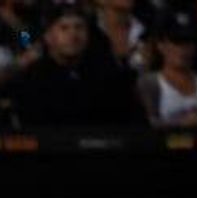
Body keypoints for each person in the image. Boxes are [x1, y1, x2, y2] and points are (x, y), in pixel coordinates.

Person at [13, 0, 141, 125]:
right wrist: (28, 46)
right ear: (48, 35)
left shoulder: (102, 72)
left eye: (79, 28)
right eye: (64, 28)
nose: (73, 34)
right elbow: (24, 32)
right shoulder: (34, 77)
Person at [137, 10, 197, 128]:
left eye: (188, 42)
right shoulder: (149, 84)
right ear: (161, 45)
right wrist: (181, 124)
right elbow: (146, 127)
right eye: (177, 42)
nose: (183, 49)